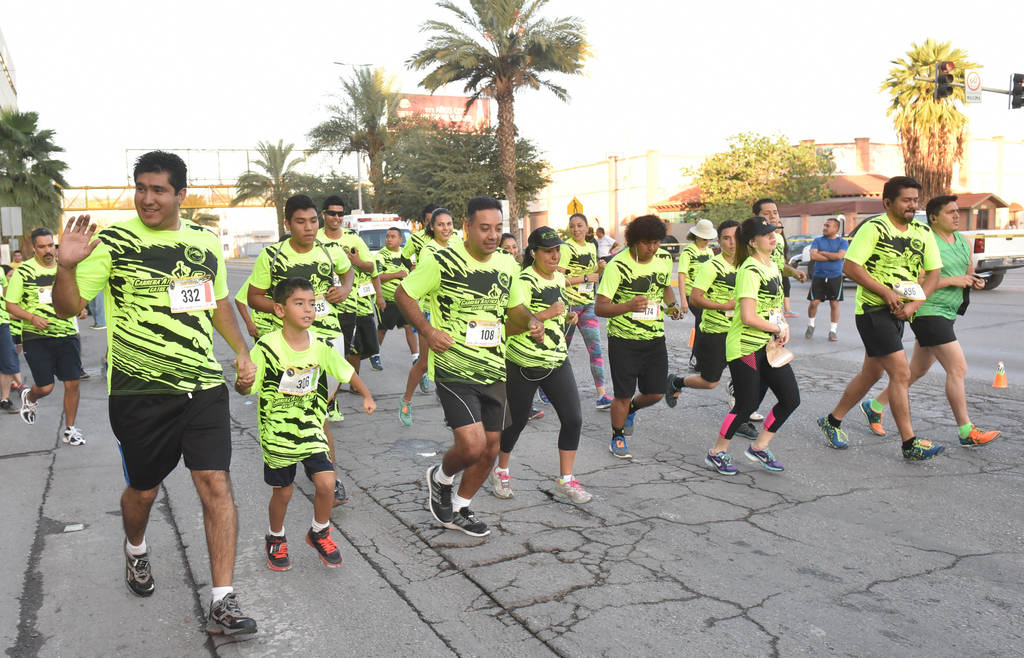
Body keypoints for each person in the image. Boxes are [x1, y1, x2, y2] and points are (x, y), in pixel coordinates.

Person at [52, 151, 258, 635]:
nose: (147, 198)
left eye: (158, 190)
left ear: (180, 194)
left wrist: (241, 352)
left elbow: (217, 302)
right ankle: (136, 548)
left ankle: (223, 600)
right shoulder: (112, 242)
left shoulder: (204, 241)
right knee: (143, 491)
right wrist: (66, 268)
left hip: (202, 386)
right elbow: (66, 308)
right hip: (138, 392)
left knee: (215, 483)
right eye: (141, 188)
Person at [396, 195, 542, 538]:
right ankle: (441, 477)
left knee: (490, 448)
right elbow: (404, 294)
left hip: (493, 367)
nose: (493, 235)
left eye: (498, 228)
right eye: (484, 228)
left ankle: (461, 507)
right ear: (467, 227)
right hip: (454, 367)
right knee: (472, 446)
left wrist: (531, 321)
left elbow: (515, 308)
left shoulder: (506, 263)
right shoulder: (441, 261)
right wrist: (428, 331)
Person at [237, 277, 375, 571]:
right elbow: (247, 388)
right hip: (277, 432)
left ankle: (319, 531)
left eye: (312, 303)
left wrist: (365, 394)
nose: (308, 309)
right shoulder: (267, 347)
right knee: (283, 492)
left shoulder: (320, 345)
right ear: (280, 310)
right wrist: (242, 382)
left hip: (312, 427)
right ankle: (275, 536)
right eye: (298, 303)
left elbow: (345, 370)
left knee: (327, 483)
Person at [816, 176, 943, 460]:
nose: (912, 205)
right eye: (906, 200)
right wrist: (885, 292)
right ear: (888, 202)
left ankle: (832, 421)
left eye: (915, 200)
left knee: (871, 373)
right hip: (873, 311)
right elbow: (851, 266)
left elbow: (935, 274)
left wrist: (915, 305)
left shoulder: (923, 232)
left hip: (901, 311)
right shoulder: (874, 228)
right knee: (901, 373)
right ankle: (909, 444)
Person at [862, 196, 998, 447]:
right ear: (933, 218)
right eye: (950, 212)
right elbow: (916, 281)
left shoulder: (963, 241)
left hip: (948, 311)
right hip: (926, 310)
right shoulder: (925, 241)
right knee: (957, 368)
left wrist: (974, 280)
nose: (956, 216)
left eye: (957, 211)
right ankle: (966, 431)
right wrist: (953, 281)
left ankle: (875, 405)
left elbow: (966, 272)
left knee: (917, 370)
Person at [248, 194, 354, 504]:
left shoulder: (330, 250)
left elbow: (348, 271)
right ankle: (323, 474)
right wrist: (287, 310)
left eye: (312, 221)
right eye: (300, 222)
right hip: (289, 346)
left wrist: (345, 288)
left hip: (328, 339)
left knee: (318, 408)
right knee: (309, 409)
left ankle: (324, 473)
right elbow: (254, 296)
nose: (308, 228)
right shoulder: (272, 255)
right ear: (287, 224)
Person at [491, 228, 590, 504]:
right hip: (523, 363)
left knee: (573, 419)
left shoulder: (558, 277)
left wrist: (567, 316)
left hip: (556, 360)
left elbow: (557, 313)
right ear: (533, 253)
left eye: (557, 250)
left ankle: (566, 480)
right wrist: (546, 314)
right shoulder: (523, 281)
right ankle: (501, 471)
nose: (555, 256)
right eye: (548, 251)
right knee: (516, 422)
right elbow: (508, 327)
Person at [707, 216, 800, 474]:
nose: (772, 236)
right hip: (744, 346)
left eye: (773, 232)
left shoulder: (771, 266)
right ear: (751, 241)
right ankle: (717, 452)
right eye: (765, 234)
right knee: (746, 405)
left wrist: (783, 327)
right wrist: (776, 328)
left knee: (790, 398)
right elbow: (748, 316)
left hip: (767, 346)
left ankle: (759, 447)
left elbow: (773, 307)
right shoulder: (749, 270)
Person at [595, 215, 680, 459]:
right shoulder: (617, 266)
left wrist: (672, 305)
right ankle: (618, 436)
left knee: (656, 393)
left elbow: (664, 286)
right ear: (633, 242)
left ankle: (631, 409)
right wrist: (628, 306)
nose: (652, 248)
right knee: (622, 394)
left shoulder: (663, 259)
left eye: (656, 242)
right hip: (623, 340)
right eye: (646, 243)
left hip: (654, 338)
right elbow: (600, 308)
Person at [665, 221, 758, 439]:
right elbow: (696, 298)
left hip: (740, 331)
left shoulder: (748, 264)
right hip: (715, 331)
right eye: (726, 238)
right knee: (710, 381)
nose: (732, 243)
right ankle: (676, 382)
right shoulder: (711, 266)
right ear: (719, 241)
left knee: (748, 378)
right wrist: (723, 306)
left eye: (736, 237)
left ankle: (740, 420)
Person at [5, 227, 86, 444]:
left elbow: (77, 293)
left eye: (50, 245)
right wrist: (31, 318)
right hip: (36, 336)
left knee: (72, 382)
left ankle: (70, 429)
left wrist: (80, 308)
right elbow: (10, 304)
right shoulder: (23, 272)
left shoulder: (65, 268)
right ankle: (30, 396)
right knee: (46, 387)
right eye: (42, 247)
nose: (48, 250)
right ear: (34, 248)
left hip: (67, 333)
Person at [398, 207, 455, 426]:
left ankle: (453, 408)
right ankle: (406, 400)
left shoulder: (457, 244)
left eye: (449, 224)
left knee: (453, 361)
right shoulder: (429, 250)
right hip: (431, 312)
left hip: (453, 313)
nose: (446, 228)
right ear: (432, 227)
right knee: (424, 363)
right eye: (440, 224)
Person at [317, 196, 383, 381]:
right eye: (332, 213)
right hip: (324, 306)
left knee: (355, 349)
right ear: (323, 214)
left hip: (351, 304)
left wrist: (358, 262)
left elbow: (371, 267)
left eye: (340, 214)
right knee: (327, 348)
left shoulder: (353, 238)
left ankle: (353, 382)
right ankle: (329, 386)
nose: (336, 217)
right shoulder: (315, 238)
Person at [560, 213, 612, 409]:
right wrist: (586, 278)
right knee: (560, 350)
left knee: (595, 349)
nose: (576, 229)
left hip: (588, 305)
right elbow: (558, 279)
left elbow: (594, 276)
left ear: (587, 227)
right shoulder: (566, 248)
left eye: (580, 225)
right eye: (572, 226)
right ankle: (545, 388)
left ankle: (602, 395)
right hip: (569, 306)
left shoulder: (591, 246)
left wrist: (600, 269)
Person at [753, 199, 808, 317]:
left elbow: (777, 265)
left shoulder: (778, 238)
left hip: (775, 305)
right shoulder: (750, 240)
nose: (773, 216)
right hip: (756, 306)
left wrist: (793, 272)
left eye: (775, 212)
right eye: (767, 213)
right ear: (756, 217)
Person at [373, 227, 418, 368]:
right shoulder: (381, 255)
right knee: (383, 329)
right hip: (388, 300)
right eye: (387, 236)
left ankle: (415, 357)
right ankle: (375, 354)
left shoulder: (406, 255)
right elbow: (377, 277)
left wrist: (414, 271)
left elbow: (413, 272)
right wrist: (396, 275)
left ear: (400, 239)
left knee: (409, 326)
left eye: (393, 236)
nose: (389, 239)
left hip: (405, 300)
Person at [678, 219, 716, 370]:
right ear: (697, 236)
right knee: (701, 321)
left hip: (706, 295)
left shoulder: (710, 252)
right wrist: (683, 300)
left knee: (704, 324)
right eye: (704, 238)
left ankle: (702, 358)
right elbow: (681, 275)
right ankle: (697, 358)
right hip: (691, 294)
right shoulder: (688, 252)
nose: (707, 241)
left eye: (708, 238)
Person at [805, 218, 848, 341]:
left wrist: (823, 253)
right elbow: (813, 256)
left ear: (836, 228)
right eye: (824, 225)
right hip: (819, 276)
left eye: (828, 226)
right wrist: (832, 256)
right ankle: (811, 325)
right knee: (814, 303)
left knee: (834, 304)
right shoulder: (817, 240)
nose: (824, 227)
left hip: (835, 276)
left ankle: (833, 331)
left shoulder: (843, 242)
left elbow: (840, 256)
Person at [0, 269, 20, 411]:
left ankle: (5, 399)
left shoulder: (1, 271)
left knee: (8, 359)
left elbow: (7, 296)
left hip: (3, 322)